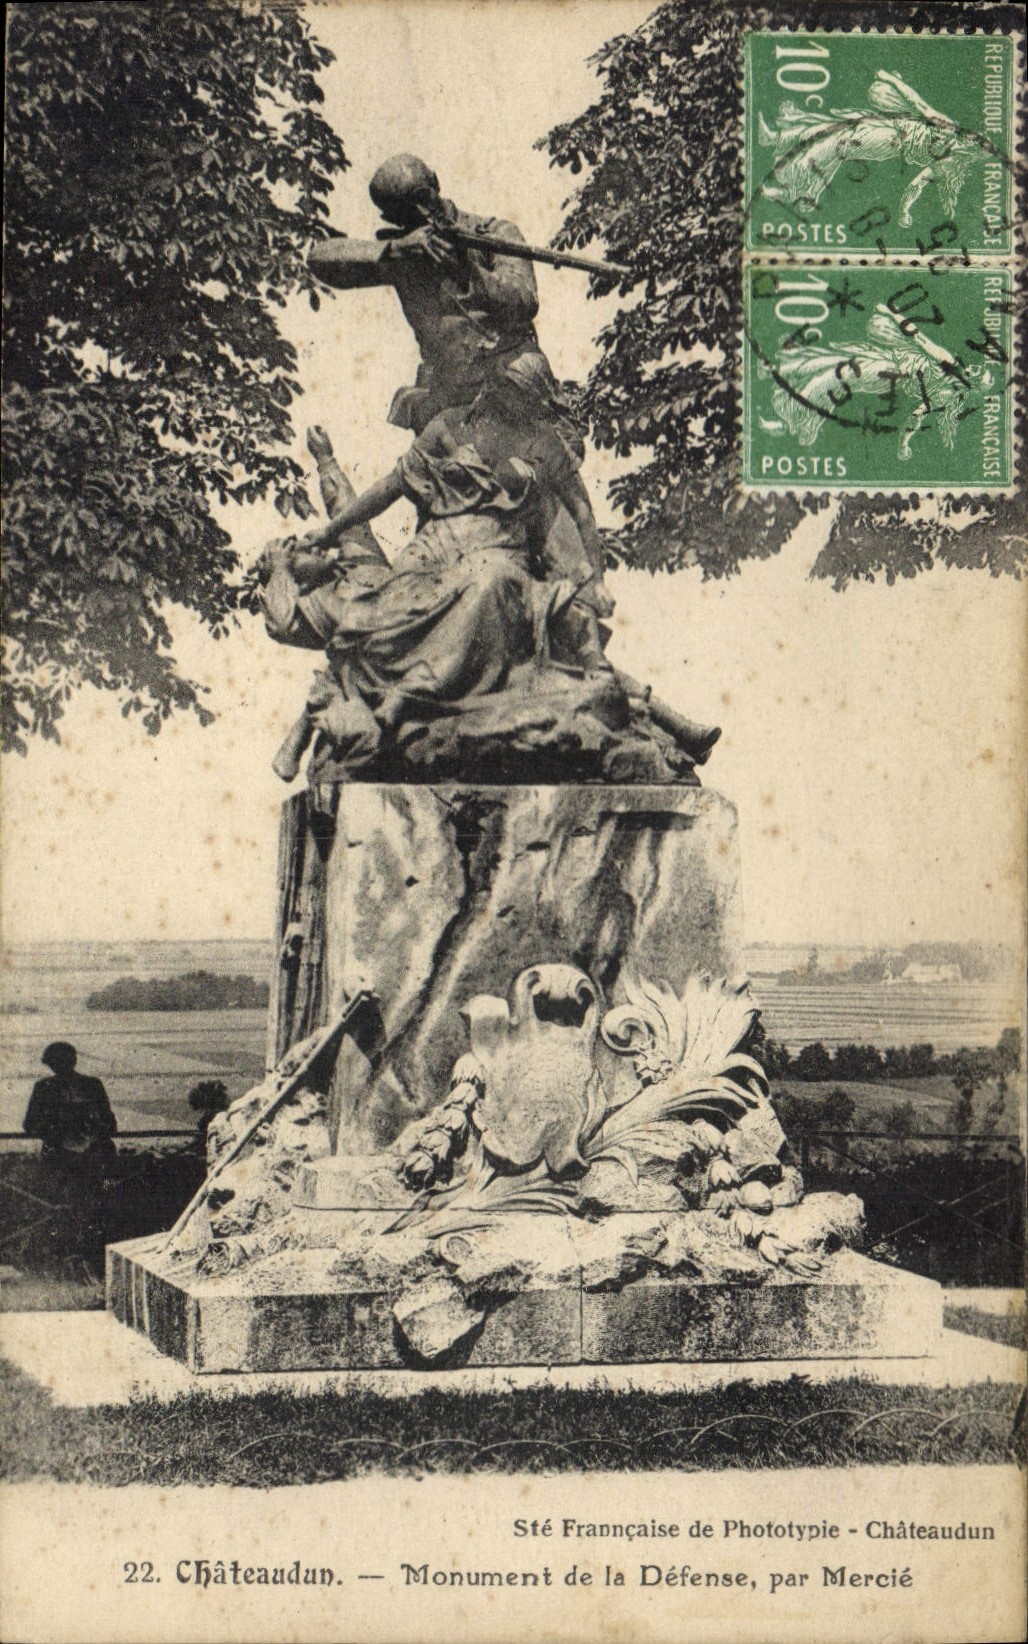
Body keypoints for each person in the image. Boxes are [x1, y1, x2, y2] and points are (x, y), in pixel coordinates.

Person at [308, 153, 559, 432]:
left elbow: (524, 302)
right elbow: (319, 259)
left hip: (510, 382)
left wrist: (469, 271)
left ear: (436, 182)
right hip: (450, 395)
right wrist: (395, 249)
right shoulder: (403, 253)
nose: (423, 212)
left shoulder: (493, 232)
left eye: (424, 198)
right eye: (407, 209)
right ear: (390, 217)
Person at [23, 1042, 117, 1169]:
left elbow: (109, 1122)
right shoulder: (92, 1084)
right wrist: (57, 1132)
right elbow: (30, 1124)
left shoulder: (44, 1087)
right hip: (61, 1154)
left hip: (91, 1153)